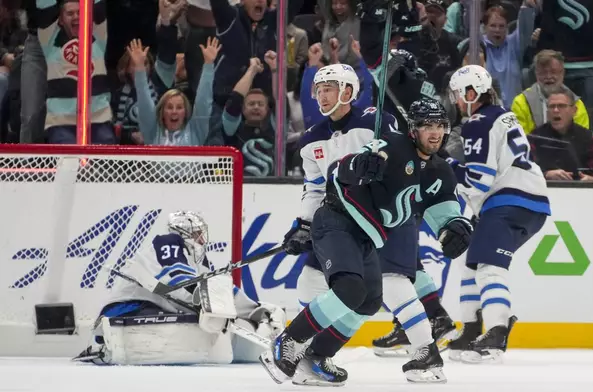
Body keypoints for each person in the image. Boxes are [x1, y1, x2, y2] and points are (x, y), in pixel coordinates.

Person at [261, 86, 473, 385]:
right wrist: (357, 167)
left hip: (368, 237)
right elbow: (338, 171)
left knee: (368, 300)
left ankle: (315, 358)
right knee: (350, 287)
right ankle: (290, 341)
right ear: (412, 129)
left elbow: (446, 214)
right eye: (426, 125)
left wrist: (456, 228)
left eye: (440, 125)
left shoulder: (440, 171)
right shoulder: (390, 147)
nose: (434, 132)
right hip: (337, 220)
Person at [75, 211, 286, 366]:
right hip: (127, 309)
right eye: (198, 234)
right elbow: (180, 282)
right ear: (186, 233)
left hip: (151, 307)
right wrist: (212, 303)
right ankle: (104, 346)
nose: (202, 240)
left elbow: (216, 292)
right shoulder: (169, 242)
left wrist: (254, 310)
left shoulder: (199, 264)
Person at [445, 65, 550, 363]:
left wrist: (447, 167)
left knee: (490, 267)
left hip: (509, 201)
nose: (455, 101)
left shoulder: (478, 121)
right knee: (472, 264)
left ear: (470, 92)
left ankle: (497, 330)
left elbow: (479, 179)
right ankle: (471, 329)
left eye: (456, 94)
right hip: (526, 200)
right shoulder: (502, 114)